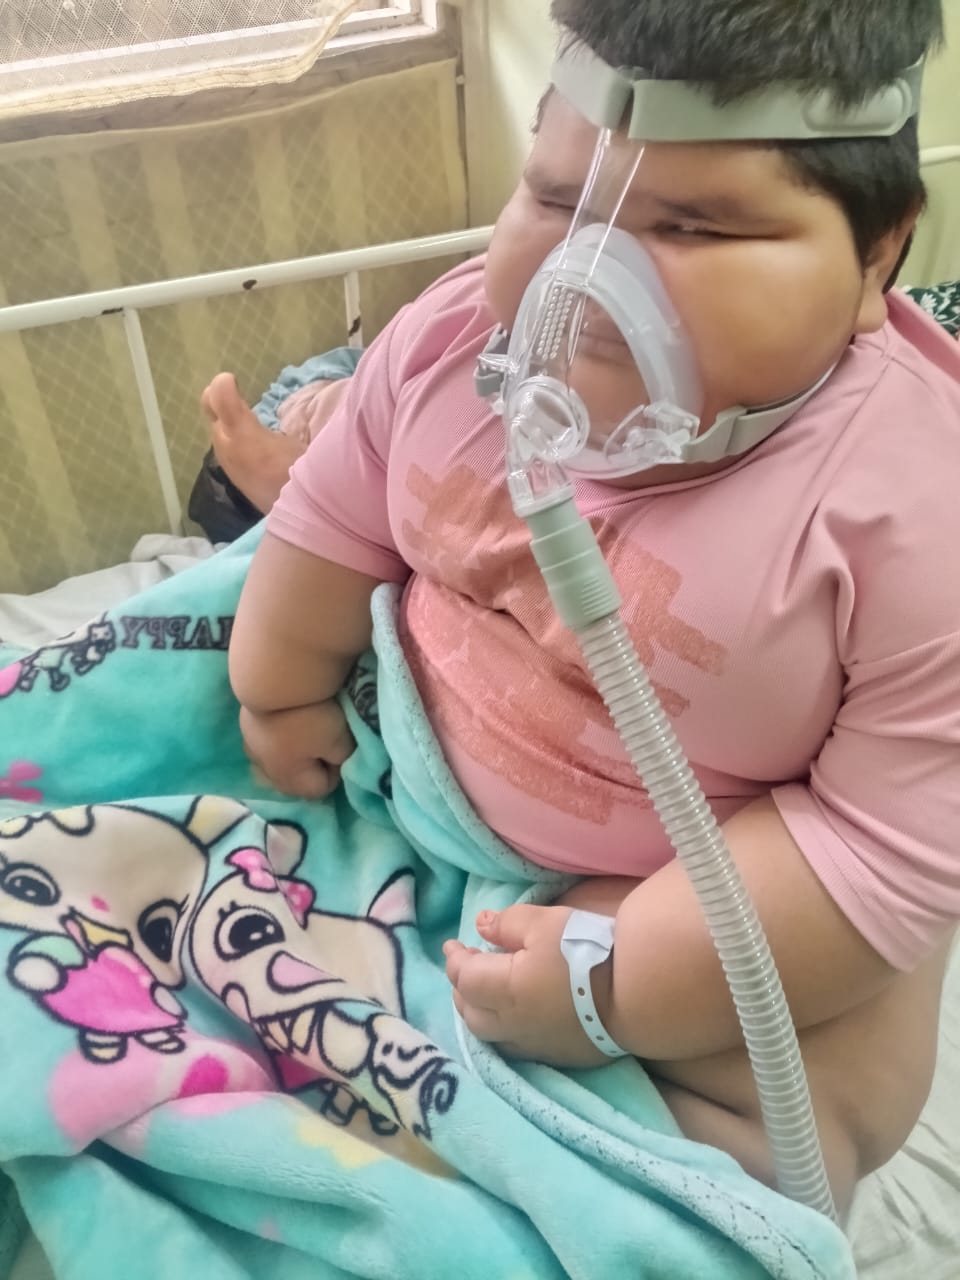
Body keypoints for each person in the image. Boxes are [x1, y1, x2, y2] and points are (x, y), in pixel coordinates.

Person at [225, 0, 959, 1212]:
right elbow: (336, 505)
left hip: (701, 901)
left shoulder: (916, 510)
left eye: (693, 226)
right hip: (407, 776)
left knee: (825, 1093)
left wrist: (613, 983)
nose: (588, 273)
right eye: (558, 200)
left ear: (879, 255)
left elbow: (873, 846)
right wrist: (280, 685)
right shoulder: (452, 341)